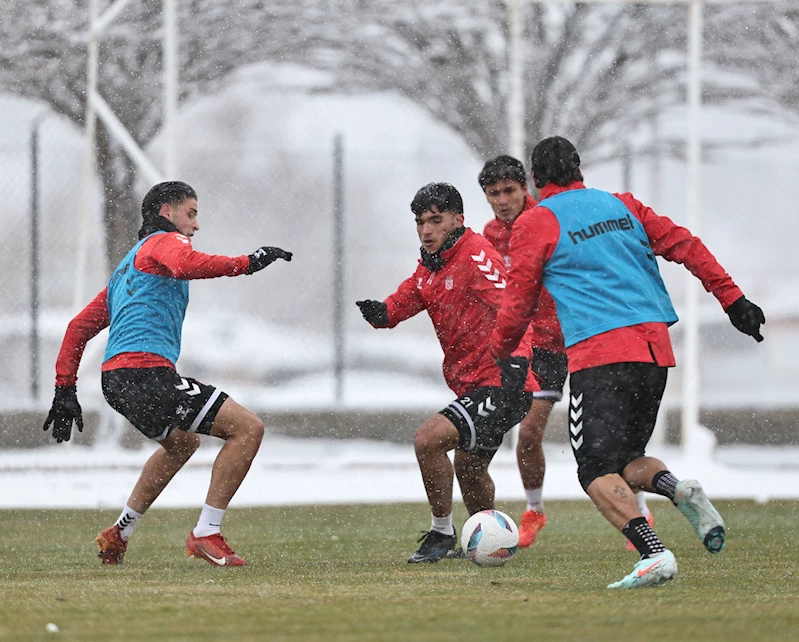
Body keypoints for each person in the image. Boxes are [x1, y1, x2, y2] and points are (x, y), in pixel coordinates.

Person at [490, 137, 765, 589]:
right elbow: (686, 245)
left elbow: (517, 304)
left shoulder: (537, 221)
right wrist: (732, 299)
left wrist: (504, 354)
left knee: (594, 469)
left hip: (600, 356)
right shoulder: (624, 205)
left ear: (536, 180)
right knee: (626, 459)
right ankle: (680, 489)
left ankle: (653, 554)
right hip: (654, 350)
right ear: (579, 169)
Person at [43, 181, 293, 567]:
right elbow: (185, 264)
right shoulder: (164, 242)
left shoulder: (127, 267)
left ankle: (118, 533)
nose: (196, 224)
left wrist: (64, 388)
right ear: (166, 212)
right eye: (191, 213)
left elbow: (78, 327)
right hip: (145, 374)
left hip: (118, 381)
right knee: (248, 429)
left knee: (182, 445)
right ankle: (206, 533)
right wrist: (247, 262)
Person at [479, 155, 654, 551]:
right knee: (529, 434)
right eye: (495, 194)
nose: (503, 200)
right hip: (542, 348)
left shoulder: (549, 217)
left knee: (616, 437)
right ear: (487, 197)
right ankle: (534, 510)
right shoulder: (490, 236)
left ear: (527, 188)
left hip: (585, 336)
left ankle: (640, 511)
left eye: (510, 190)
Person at [356, 182, 538, 563]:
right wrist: (383, 313)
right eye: (421, 222)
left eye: (435, 221)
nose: (426, 230)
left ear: (458, 220)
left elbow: (512, 306)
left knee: (428, 440)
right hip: (472, 385)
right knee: (469, 467)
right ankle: (489, 540)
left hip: (503, 382)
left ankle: (441, 534)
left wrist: (518, 359)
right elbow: (408, 297)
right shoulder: (429, 266)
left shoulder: (475, 253)